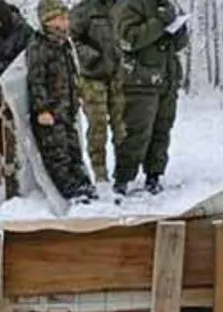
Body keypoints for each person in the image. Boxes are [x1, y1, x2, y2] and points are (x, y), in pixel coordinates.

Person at [111, 0, 189, 196]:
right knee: (136, 132)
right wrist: (160, 22)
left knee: (162, 130)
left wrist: (178, 27)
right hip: (140, 80)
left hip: (167, 79)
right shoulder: (129, 5)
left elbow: (180, 43)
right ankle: (123, 179)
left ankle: (154, 175)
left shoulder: (169, 4)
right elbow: (129, 40)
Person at [25, 0, 96, 203]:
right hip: (51, 113)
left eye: (66, 18)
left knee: (74, 150)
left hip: (67, 109)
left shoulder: (63, 44)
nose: (66, 22)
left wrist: (77, 96)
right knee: (58, 154)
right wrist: (42, 109)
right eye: (61, 18)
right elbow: (36, 81)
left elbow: (71, 74)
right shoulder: (39, 45)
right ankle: (71, 192)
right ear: (49, 21)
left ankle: (83, 184)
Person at [70, 0, 125, 185]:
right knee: (98, 127)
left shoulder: (121, 6)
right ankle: (100, 173)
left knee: (122, 126)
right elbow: (72, 39)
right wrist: (89, 56)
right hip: (92, 78)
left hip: (117, 75)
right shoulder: (83, 10)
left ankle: (123, 173)